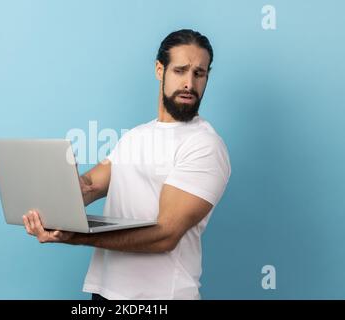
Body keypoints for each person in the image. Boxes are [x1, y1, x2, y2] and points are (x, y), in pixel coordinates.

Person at [22, 29, 231, 300]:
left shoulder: (205, 145)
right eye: (180, 71)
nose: (189, 83)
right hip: (106, 293)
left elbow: (164, 234)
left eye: (199, 74)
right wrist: (47, 201)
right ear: (160, 70)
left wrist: (75, 236)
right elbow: (89, 185)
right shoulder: (136, 136)